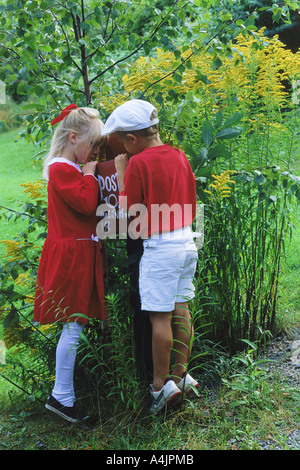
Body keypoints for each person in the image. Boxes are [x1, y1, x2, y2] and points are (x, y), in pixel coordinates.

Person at [101, 99, 199, 414]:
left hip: (160, 248)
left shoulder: (139, 163)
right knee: (181, 309)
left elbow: (131, 211)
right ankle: (180, 375)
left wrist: (119, 171)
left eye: (122, 142)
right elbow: (191, 203)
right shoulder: (179, 156)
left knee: (159, 318)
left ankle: (159, 387)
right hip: (187, 241)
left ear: (131, 140)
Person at [33, 104, 106, 423]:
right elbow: (88, 204)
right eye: (92, 146)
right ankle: (61, 397)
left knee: (74, 326)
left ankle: (62, 396)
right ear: (73, 137)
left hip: (78, 252)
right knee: (73, 327)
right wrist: (90, 176)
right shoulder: (63, 169)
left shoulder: (68, 168)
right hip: (71, 257)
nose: (94, 154)